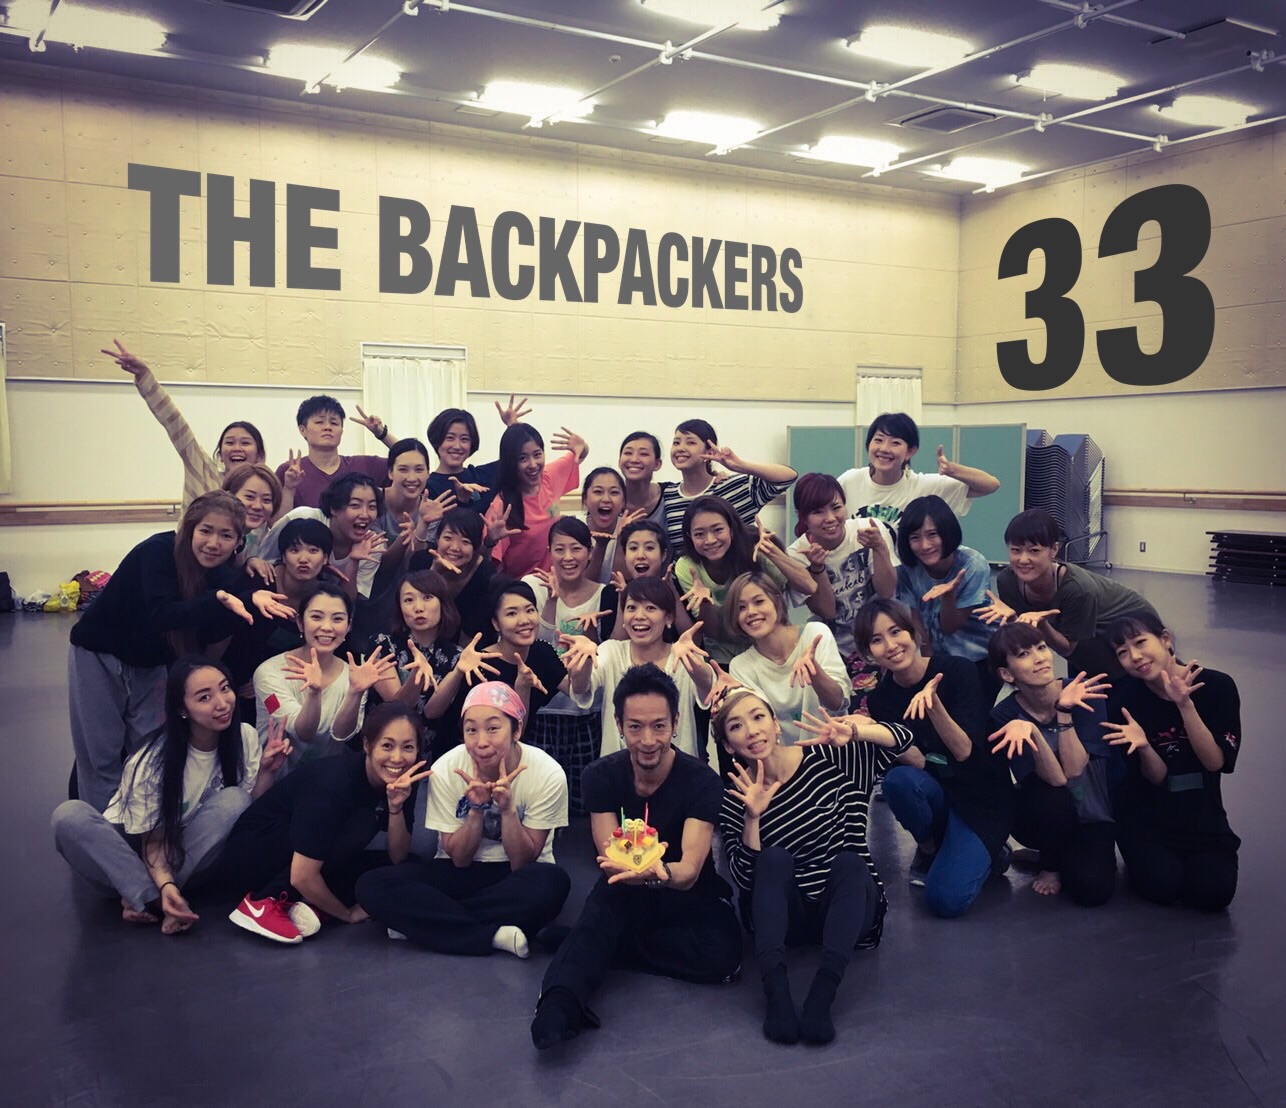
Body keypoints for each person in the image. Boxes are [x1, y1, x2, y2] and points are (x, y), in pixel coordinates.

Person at [531, 664, 742, 1050]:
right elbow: (608, 852)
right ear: (619, 725)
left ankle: (596, 944)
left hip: (685, 890)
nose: (647, 740)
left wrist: (658, 873)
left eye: (659, 726)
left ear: (675, 723)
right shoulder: (600, 776)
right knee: (603, 909)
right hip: (624, 883)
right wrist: (635, 872)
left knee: (723, 957)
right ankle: (559, 1003)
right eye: (635, 727)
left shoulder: (702, 782)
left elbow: (690, 870)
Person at [67, 491, 291, 811]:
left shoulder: (222, 574)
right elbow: (162, 615)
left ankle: (149, 824)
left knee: (153, 748)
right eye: (206, 531)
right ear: (189, 530)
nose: (213, 543)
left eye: (226, 535)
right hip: (99, 654)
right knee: (101, 754)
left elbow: (214, 625)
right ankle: (102, 829)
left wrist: (249, 600)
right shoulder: (156, 552)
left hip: (150, 663)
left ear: (238, 542)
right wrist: (219, 601)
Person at [715, 688, 913, 1043]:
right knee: (773, 858)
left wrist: (856, 731)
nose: (752, 731)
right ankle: (776, 992)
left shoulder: (830, 757)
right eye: (736, 726)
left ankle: (823, 994)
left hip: (847, 909)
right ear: (729, 745)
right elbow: (745, 880)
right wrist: (752, 817)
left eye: (758, 717)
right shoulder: (736, 798)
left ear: (776, 725)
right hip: (788, 920)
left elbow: (903, 739)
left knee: (851, 864)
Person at [52, 658, 289, 935]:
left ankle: (145, 899)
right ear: (182, 709)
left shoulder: (243, 737)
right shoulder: (151, 760)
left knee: (235, 799)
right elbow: (152, 842)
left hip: (189, 856)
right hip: (128, 859)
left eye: (225, 688)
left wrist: (267, 772)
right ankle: (156, 898)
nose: (222, 703)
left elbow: (247, 817)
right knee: (69, 816)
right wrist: (163, 886)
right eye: (204, 697)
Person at [356, 682, 572, 957]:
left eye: (493, 728)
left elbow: (522, 862)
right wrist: (476, 809)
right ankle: (493, 934)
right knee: (371, 885)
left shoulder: (547, 773)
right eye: (471, 730)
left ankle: (423, 922)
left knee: (553, 883)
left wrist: (507, 810)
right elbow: (459, 860)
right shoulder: (447, 768)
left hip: (515, 874)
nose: (481, 742)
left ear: (516, 730)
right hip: (458, 870)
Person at [856, 599, 1016, 918]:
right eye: (877, 639)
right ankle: (930, 847)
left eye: (895, 631)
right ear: (868, 652)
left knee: (945, 900)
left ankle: (992, 851)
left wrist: (934, 707)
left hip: (981, 798)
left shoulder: (957, 671)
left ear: (913, 632)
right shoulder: (881, 700)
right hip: (938, 791)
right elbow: (916, 761)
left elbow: (963, 751)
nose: (891, 645)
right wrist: (869, 730)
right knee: (898, 781)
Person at [222, 702, 428, 943]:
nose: (397, 758)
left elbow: (397, 857)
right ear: (367, 745)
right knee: (362, 822)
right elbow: (302, 876)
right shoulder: (335, 782)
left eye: (408, 747)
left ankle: (308, 904)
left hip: (307, 859)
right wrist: (347, 915)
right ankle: (264, 901)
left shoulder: (404, 779)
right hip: (252, 855)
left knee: (402, 869)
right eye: (387, 746)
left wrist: (395, 808)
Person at [1102, 613, 1241, 912]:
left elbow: (1215, 762)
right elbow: (1156, 778)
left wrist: (1185, 705)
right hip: (1147, 818)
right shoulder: (1123, 701)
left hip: (1203, 816)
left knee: (1213, 894)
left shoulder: (1217, 686)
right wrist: (1143, 746)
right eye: (1122, 652)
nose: (1135, 656)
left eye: (1141, 642)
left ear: (1165, 640)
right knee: (1163, 887)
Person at [987, 623, 1118, 906]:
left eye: (1041, 648)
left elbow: (1074, 769)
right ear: (1007, 674)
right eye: (1024, 654)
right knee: (1051, 796)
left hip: (1092, 813)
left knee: (1091, 889)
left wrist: (1064, 711)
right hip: (1044, 813)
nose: (1039, 658)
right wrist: (1032, 730)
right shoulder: (1004, 715)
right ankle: (1049, 862)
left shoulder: (1083, 692)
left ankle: (1055, 856)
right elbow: (1056, 780)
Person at [987, 509, 1160, 678]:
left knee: (1119, 680)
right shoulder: (1007, 581)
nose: (1023, 560)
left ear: (1054, 549)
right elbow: (1025, 635)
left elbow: (1067, 647)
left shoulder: (1077, 589)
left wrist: (1043, 625)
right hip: (1084, 636)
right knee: (1083, 675)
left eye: (1034, 551)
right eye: (1016, 550)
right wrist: (1011, 619)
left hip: (1131, 626)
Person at [101, 339, 271, 511]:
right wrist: (145, 376)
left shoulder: (264, 493)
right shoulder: (203, 470)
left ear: (259, 456)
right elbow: (174, 421)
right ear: (220, 455)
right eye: (229, 442)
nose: (237, 448)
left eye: (245, 443)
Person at [523, 518, 618, 815]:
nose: (568, 557)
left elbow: (610, 652)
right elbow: (536, 646)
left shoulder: (605, 594)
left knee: (583, 800)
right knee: (540, 796)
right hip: (544, 710)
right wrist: (552, 601)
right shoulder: (534, 587)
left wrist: (590, 637)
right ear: (549, 552)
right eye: (559, 549)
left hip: (587, 712)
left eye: (576, 549)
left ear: (590, 552)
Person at [252, 581, 397, 775]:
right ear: (300, 623)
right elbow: (303, 733)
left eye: (337, 619)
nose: (327, 627)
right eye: (316, 617)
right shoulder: (269, 673)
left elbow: (342, 735)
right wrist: (314, 693)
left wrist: (355, 692)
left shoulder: (354, 675)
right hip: (272, 778)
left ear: (349, 626)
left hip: (325, 779)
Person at [568, 575, 716, 759]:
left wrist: (692, 661)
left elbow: (709, 687)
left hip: (677, 768)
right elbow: (581, 689)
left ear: (669, 617)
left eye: (650, 608)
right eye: (631, 608)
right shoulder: (611, 651)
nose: (639, 616)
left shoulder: (682, 653)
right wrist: (583, 663)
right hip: (619, 767)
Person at [786, 472, 896, 706]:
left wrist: (880, 548)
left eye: (836, 508)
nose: (830, 518)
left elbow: (887, 591)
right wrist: (817, 568)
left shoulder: (868, 529)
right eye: (818, 512)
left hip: (881, 638)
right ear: (802, 516)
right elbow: (827, 611)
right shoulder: (797, 555)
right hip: (837, 650)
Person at [674, 496, 817, 669]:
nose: (710, 540)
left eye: (718, 530)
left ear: (731, 529)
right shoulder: (687, 566)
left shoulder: (754, 549)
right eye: (699, 534)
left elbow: (810, 586)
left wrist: (772, 552)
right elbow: (712, 632)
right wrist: (705, 603)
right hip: (724, 654)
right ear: (689, 536)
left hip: (770, 645)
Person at [895, 495, 1001, 705]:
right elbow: (915, 614)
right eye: (915, 537)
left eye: (932, 534)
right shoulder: (908, 568)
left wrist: (949, 596)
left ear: (947, 531)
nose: (925, 545)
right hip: (941, 657)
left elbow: (950, 626)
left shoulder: (972, 565)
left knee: (974, 717)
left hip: (980, 658)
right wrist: (926, 658)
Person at [726, 572, 852, 746]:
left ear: (777, 601)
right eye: (741, 608)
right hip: (788, 757)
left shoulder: (815, 634)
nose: (751, 612)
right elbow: (758, 727)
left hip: (836, 746)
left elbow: (838, 704)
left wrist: (815, 673)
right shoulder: (740, 666)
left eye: (759, 601)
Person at [838, 412, 999, 529]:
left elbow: (991, 484)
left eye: (895, 443)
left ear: (910, 452)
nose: (884, 449)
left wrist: (952, 469)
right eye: (878, 440)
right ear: (869, 445)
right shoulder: (850, 481)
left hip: (905, 567)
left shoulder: (923, 486)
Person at [659, 419, 797, 555]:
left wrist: (740, 466)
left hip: (742, 569)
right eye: (676, 442)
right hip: (687, 570)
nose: (680, 448)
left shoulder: (736, 486)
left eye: (690, 442)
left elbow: (788, 477)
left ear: (710, 453)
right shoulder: (669, 494)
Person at [369, 570, 464, 760]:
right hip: (385, 748)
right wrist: (416, 676)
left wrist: (459, 671)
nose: (418, 608)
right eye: (408, 600)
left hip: (433, 753)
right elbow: (397, 707)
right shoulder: (382, 644)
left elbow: (432, 712)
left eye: (427, 597)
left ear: (443, 603)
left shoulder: (456, 656)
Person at [258, 473, 388, 599]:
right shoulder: (302, 518)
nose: (365, 514)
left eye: (372, 507)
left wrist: (354, 562)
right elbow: (265, 559)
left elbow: (348, 600)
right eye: (355, 505)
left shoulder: (372, 546)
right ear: (334, 508)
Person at [484, 421, 588, 578]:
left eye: (537, 454)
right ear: (510, 463)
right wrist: (489, 541)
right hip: (522, 587)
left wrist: (583, 445)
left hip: (559, 581)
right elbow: (488, 565)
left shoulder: (549, 477)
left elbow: (580, 455)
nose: (533, 465)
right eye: (522, 458)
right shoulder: (501, 508)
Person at [274, 394, 399, 510]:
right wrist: (289, 488)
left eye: (334, 423)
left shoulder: (364, 465)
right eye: (319, 422)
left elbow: (407, 458)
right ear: (303, 430)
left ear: (341, 431)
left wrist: (381, 433)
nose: (328, 427)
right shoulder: (288, 472)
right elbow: (275, 522)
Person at [423, 396, 533, 511]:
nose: (457, 446)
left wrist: (513, 426)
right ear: (437, 439)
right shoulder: (427, 487)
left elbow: (515, 458)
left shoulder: (483, 476)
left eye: (464, 439)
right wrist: (462, 501)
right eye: (450, 438)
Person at [408, 506, 495, 645]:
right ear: (437, 539)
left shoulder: (485, 574)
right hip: (416, 639)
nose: (455, 547)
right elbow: (411, 609)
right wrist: (434, 573)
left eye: (465, 541)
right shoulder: (421, 561)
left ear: (476, 547)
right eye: (448, 538)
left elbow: (474, 632)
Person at [221, 463, 285, 565]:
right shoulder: (215, 537)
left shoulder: (240, 542)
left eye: (266, 500)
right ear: (229, 495)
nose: (257, 506)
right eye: (250, 497)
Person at [617, 430, 670, 526]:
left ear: (657, 464)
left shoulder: (670, 495)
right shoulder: (609, 501)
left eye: (643, 454)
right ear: (619, 461)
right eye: (628, 453)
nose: (634, 459)